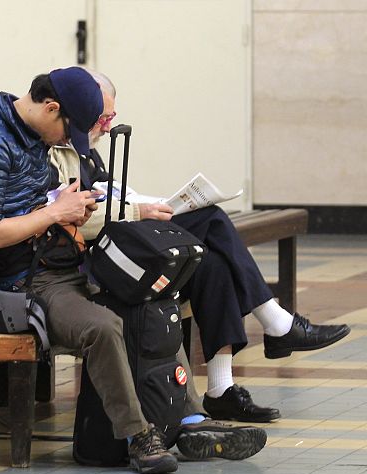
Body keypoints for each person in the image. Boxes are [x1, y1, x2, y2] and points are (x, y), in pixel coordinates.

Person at [0, 66, 266, 474]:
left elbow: (37, 205)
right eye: (70, 130)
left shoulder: (32, 134)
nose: (70, 141)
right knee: (102, 327)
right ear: (51, 108)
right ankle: (138, 436)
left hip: (66, 258)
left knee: (152, 293)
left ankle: (188, 418)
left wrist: (70, 207)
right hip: (26, 283)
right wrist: (54, 213)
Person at [49, 71, 351, 423]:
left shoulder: (85, 150)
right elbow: (74, 215)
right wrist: (140, 211)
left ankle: (221, 389)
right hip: (106, 256)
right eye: (102, 118)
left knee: (211, 263)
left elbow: (116, 194)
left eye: (110, 117)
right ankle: (276, 323)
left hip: (123, 240)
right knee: (211, 218)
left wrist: (156, 203)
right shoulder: (56, 152)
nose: (105, 126)